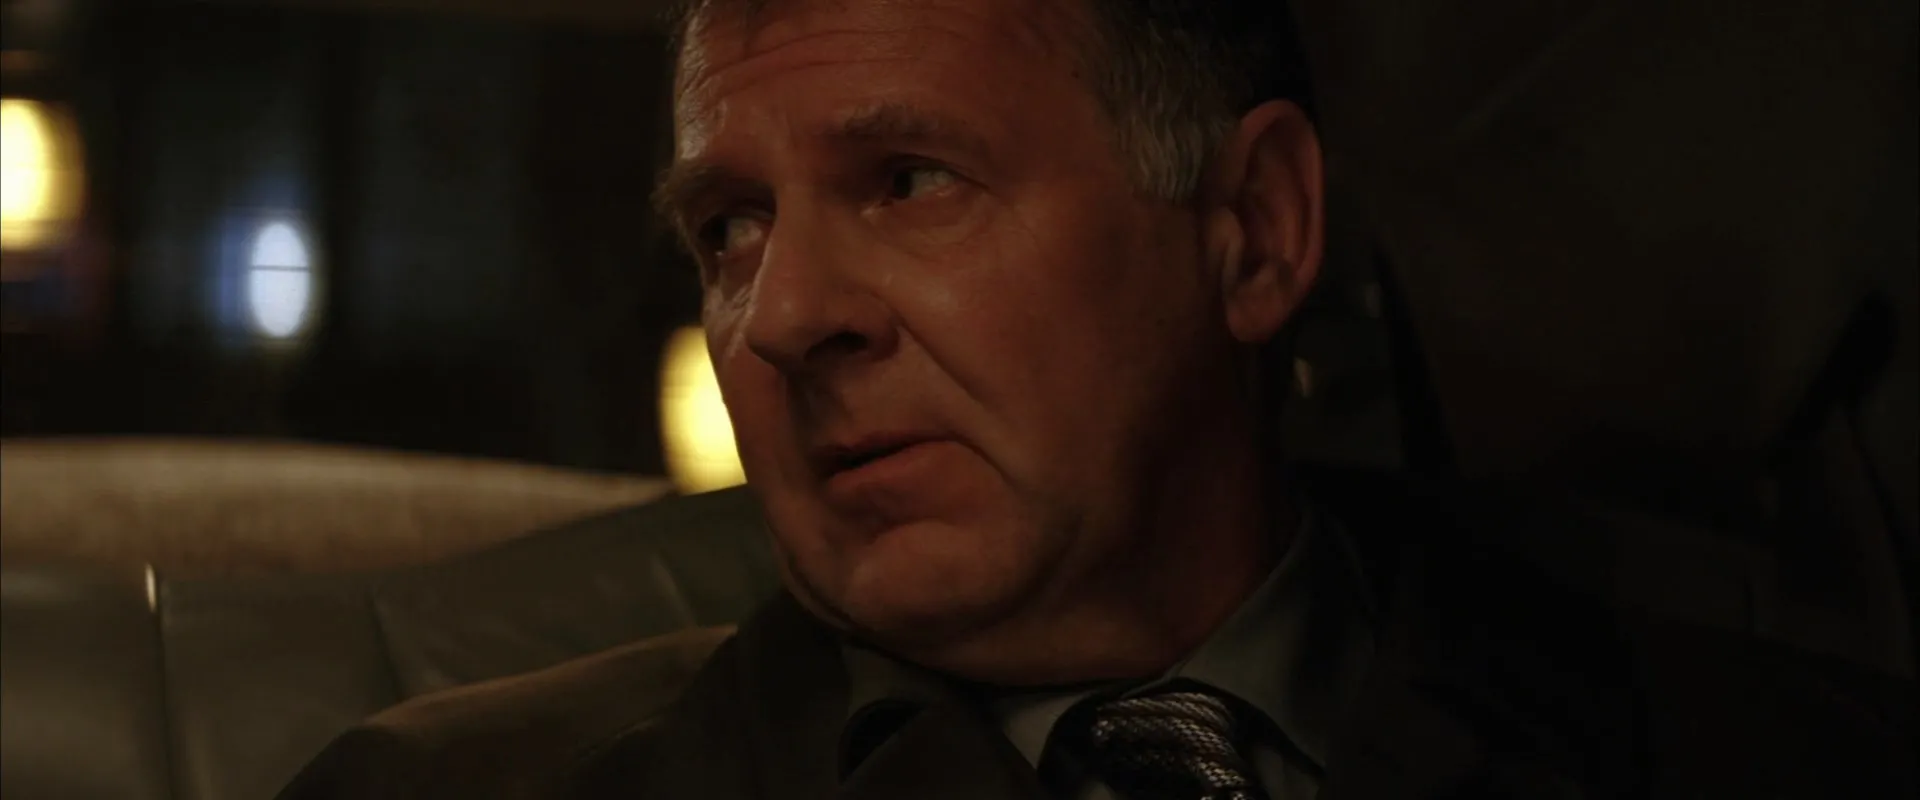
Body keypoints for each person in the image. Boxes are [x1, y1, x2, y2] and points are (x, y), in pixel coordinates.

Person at [278, 0, 1917, 798]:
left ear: (1253, 231)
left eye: (908, 179)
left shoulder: (1774, 756)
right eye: (729, 229)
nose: (778, 321)